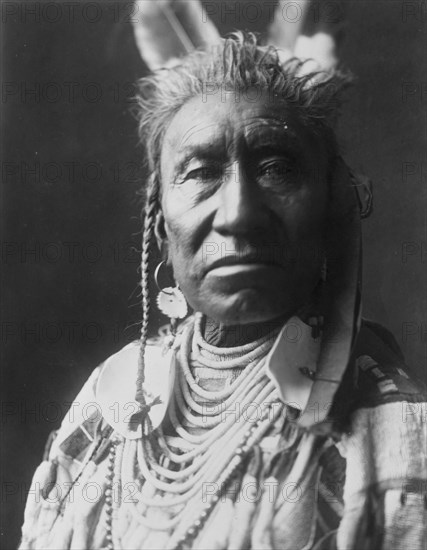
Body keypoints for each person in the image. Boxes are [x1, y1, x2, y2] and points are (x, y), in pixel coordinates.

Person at [19, 32, 426, 550]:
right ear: (160, 224)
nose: (239, 214)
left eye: (276, 168)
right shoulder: (110, 400)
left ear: (334, 207)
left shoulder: (394, 430)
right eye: (201, 172)